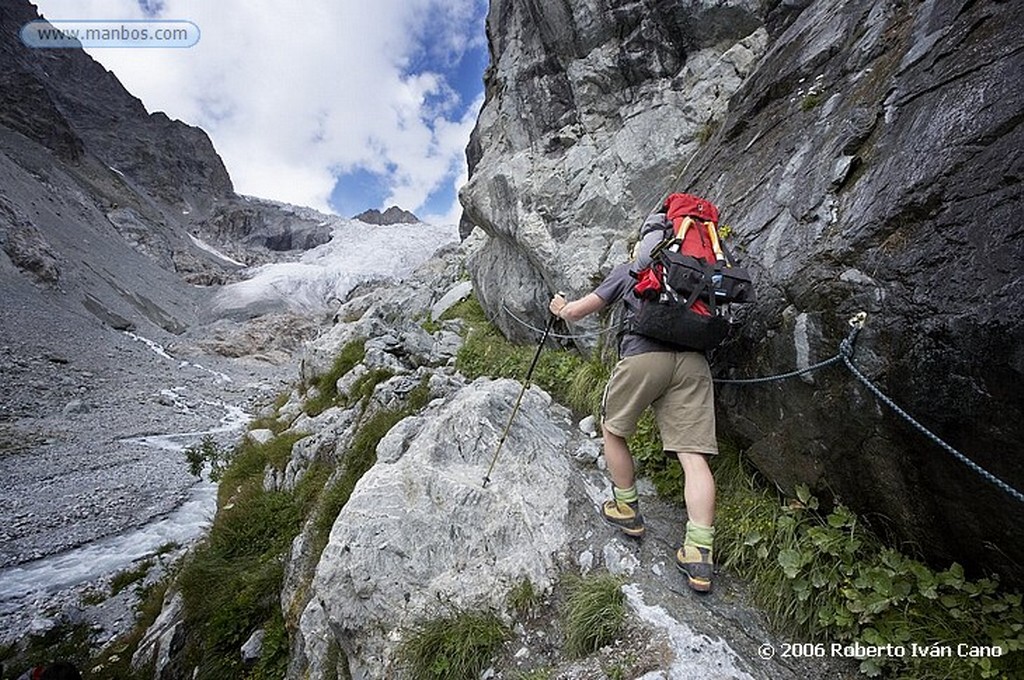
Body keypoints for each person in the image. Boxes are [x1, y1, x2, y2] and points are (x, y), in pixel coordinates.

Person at [548, 212, 718, 593]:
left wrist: (561, 308)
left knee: (613, 430)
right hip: (694, 362)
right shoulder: (703, 270)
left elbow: (578, 311)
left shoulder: (634, 269)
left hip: (643, 357)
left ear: (647, 239)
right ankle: (699, 552)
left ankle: (627, 509)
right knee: (694, 456)